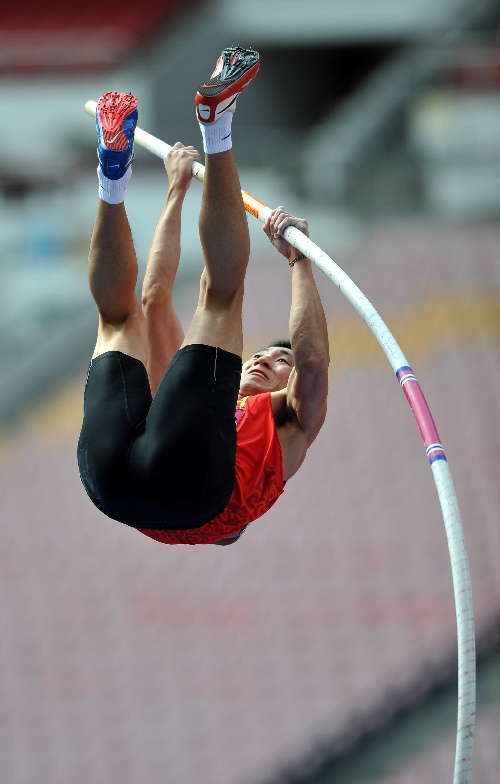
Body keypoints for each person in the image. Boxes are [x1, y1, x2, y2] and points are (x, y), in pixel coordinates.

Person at [77, 45, 329, 546]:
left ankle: (218, 125)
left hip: (188, 492)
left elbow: (314, 364)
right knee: (119, 320)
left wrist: (301, 262)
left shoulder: (290, 425)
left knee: (220, 298)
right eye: (264, 352)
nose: (262, 360)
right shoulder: (191, 404)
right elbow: (153, 298)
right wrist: (175, 192)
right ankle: (112, 177)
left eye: (280, 361)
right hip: (115, 488)